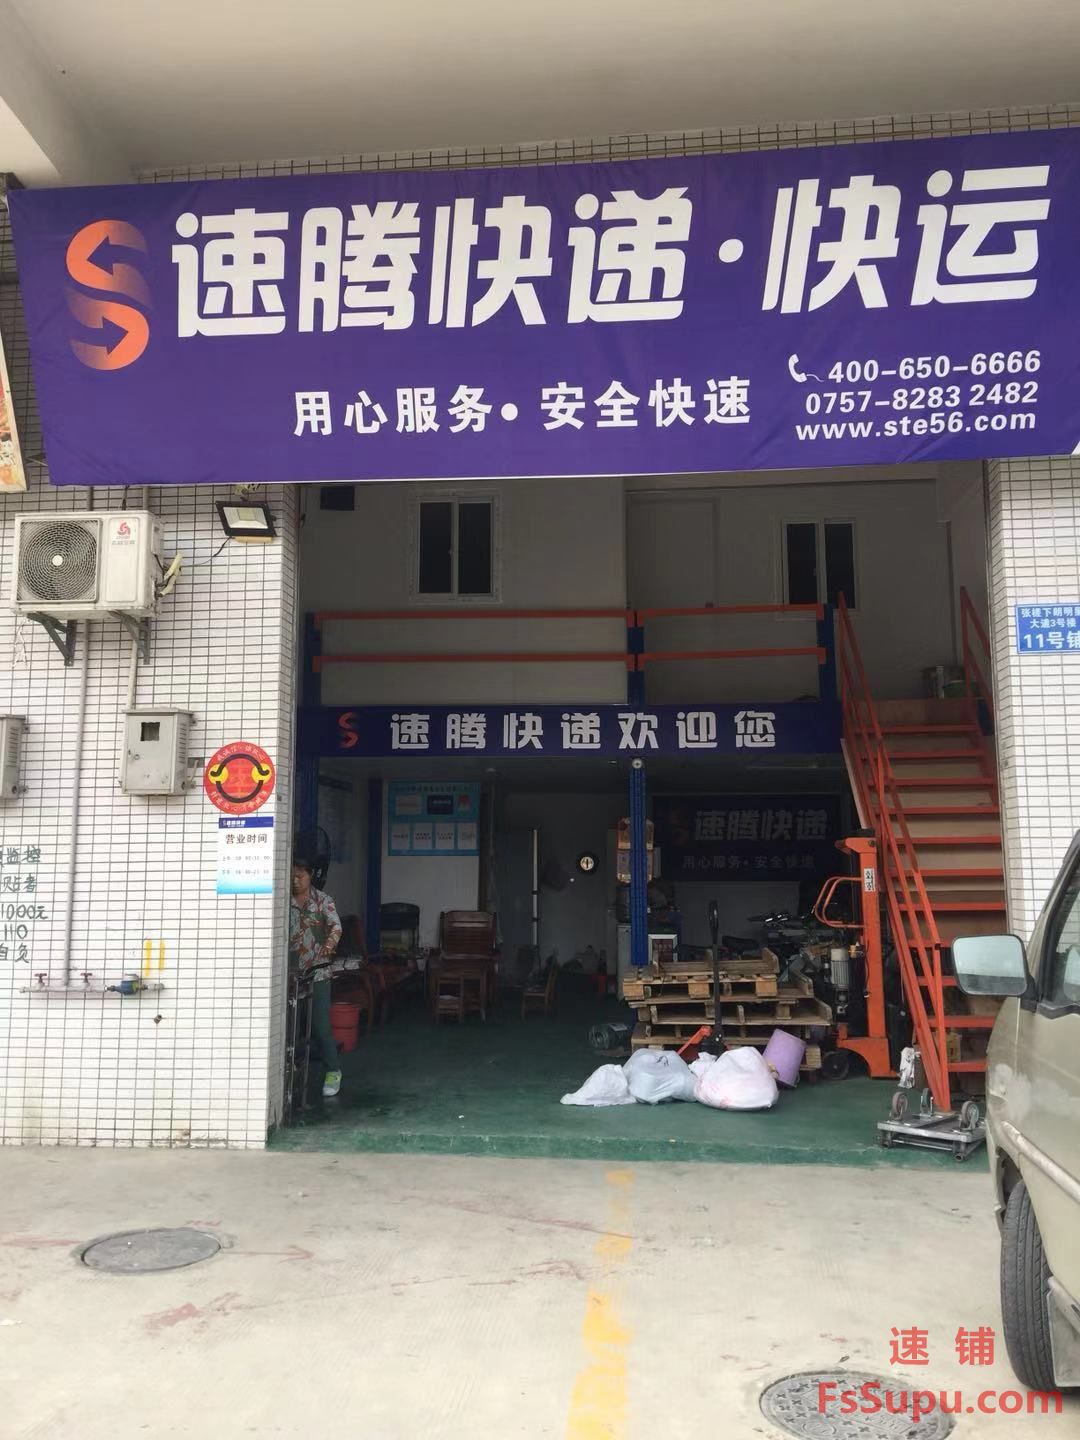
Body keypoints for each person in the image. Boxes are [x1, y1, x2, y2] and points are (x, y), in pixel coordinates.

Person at [289, 857, 343, 1098]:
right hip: (291, 973)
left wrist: (328, 948)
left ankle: (333, 1070)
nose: (295, 880)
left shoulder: (323, 900)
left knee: (320, 1025)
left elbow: (336, 927)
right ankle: (290, 1071)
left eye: (300, 875)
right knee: (290, 1026)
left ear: (311, 876)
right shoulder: (283, 900)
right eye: (292, 875)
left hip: (318, 971)